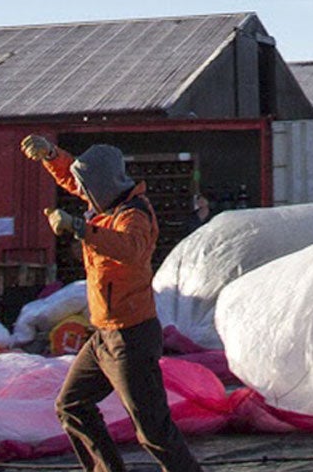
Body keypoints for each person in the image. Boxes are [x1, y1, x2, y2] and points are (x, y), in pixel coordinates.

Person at [22, 134, 205, 472]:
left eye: (86, 187)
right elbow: (74, 177)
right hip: (105, 335)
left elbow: (130, 248)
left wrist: (80, 228)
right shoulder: (104, 202)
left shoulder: (133, 216)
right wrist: (51, 154)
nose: (80, 193)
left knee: (153, 431)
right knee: (71, 405)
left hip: (131, 337)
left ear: (102, 185)